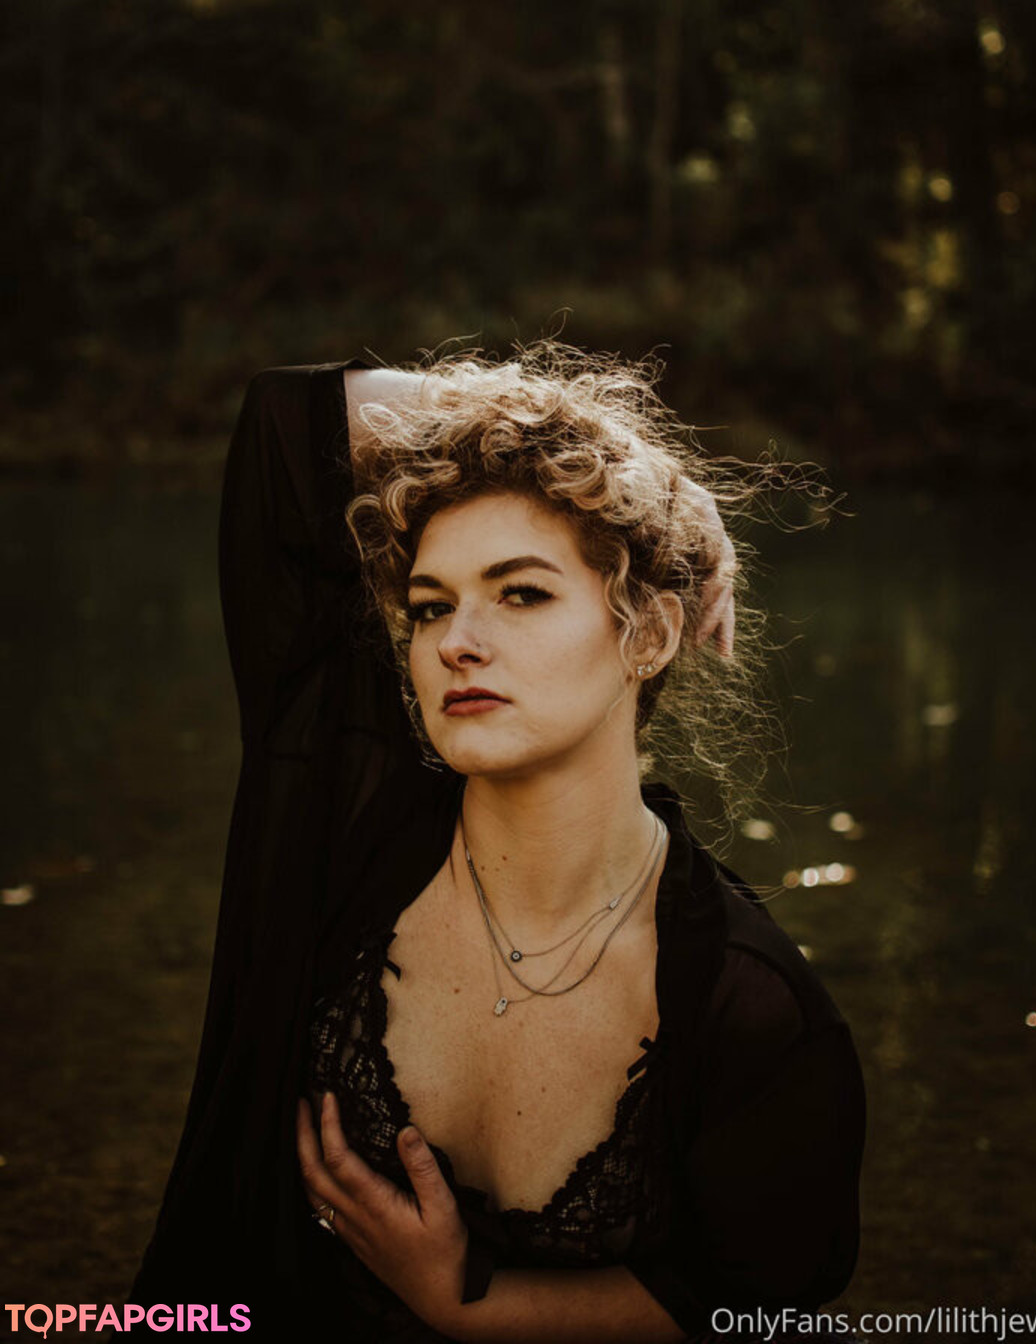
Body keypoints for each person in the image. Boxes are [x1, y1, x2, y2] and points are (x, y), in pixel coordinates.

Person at [130, 346, 865, 1343]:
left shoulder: (750, 1005)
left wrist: (475, 1308)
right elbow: (283, 420)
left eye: (521, 594)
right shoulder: (343, 830)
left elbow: (757, 1298)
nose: (456, 642)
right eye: (431, 606)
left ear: (648, 636)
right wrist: (620, 455)